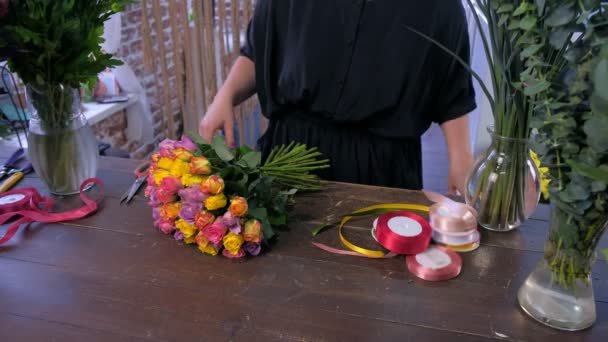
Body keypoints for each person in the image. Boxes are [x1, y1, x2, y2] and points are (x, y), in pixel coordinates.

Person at [199, 0, 476, 194]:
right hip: (289, 154)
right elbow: (261, 52)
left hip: (381, 167)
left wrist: (460, 156)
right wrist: (225, 96)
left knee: (371, 274)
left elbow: (451, 88)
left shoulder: (440, 5)